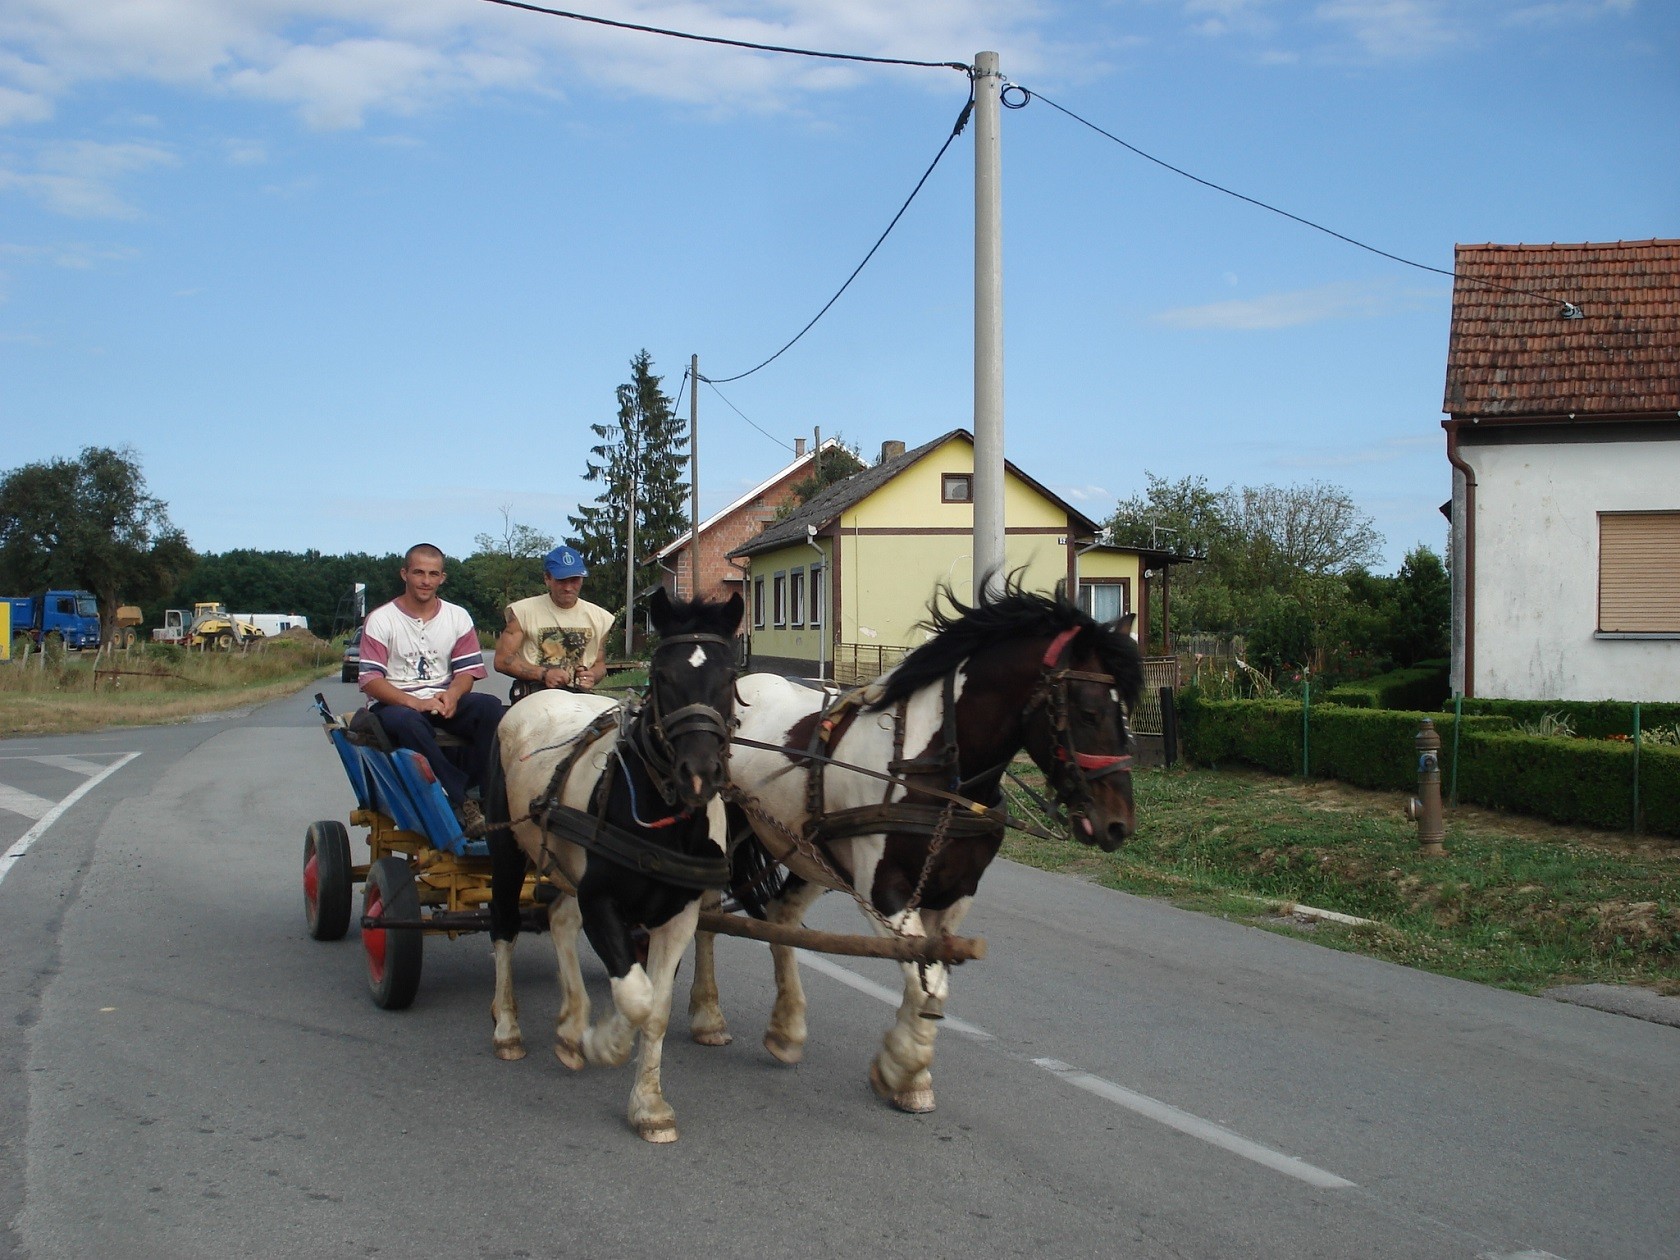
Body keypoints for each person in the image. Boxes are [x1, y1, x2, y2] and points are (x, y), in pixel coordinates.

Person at [358, 543, 503, 826]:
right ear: (404, 574)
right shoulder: (381, 620)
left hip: (442, 698)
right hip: (396, 703)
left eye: (433, 574)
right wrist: (415, 703)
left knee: (490, 708)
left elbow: (466, 672)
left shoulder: (457, 617)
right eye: (419, 573)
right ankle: (460, 799)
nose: (426, 581)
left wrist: (453, 695)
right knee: (409, 723)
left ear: (442, 578)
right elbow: (371, 680)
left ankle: (484, 791)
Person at [494, 544, 615, 703]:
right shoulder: (522, 612)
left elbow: (599, 664)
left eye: (574, 580)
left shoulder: (600, 618)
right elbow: (502, 659)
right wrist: (543, 674)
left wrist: (591, 676)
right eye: (561, 581)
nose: (568, 587)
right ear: (547, 579)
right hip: (534, 693)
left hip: (579, 696)